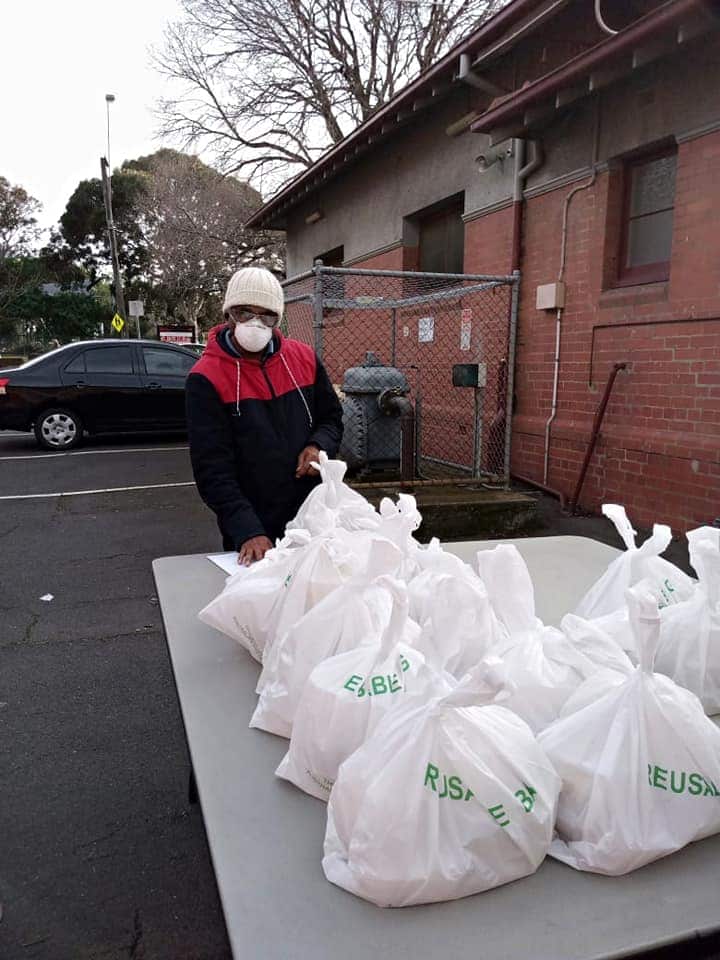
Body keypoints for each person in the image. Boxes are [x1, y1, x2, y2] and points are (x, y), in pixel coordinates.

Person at [186, 267, 343, 565]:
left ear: (278, 318)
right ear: (229, 313)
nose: (256, 323)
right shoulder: (205, 378)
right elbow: (212, 467)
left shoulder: (304, 359)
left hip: (312, 515)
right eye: (246, 312)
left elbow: (332, 418)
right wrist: (247, 530)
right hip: (254, 529)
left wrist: (319, 445)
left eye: (267, 315)